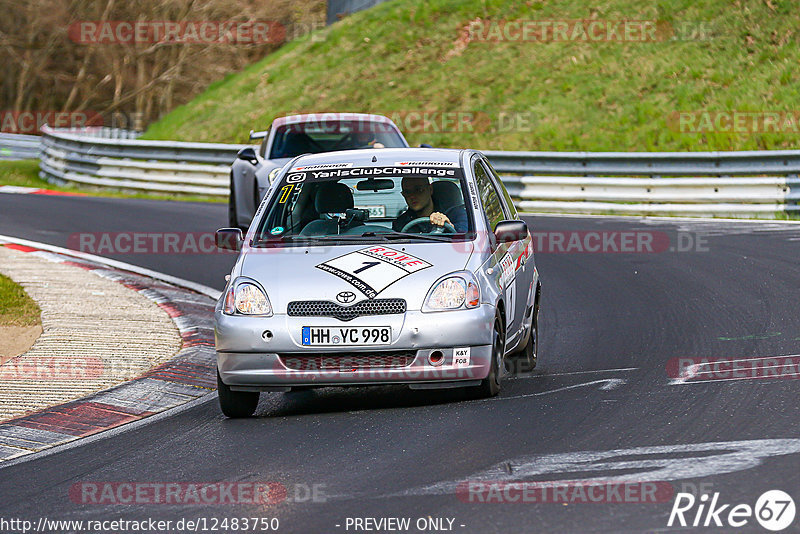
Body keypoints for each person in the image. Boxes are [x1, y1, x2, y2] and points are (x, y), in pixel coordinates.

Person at [393, 176, 468, 233]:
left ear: (430, 189)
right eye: (407, 192)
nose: (412, 196)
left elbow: (467, 238)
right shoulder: (400, 223)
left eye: (418, 190)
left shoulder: (457, 214)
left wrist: (449, 226)